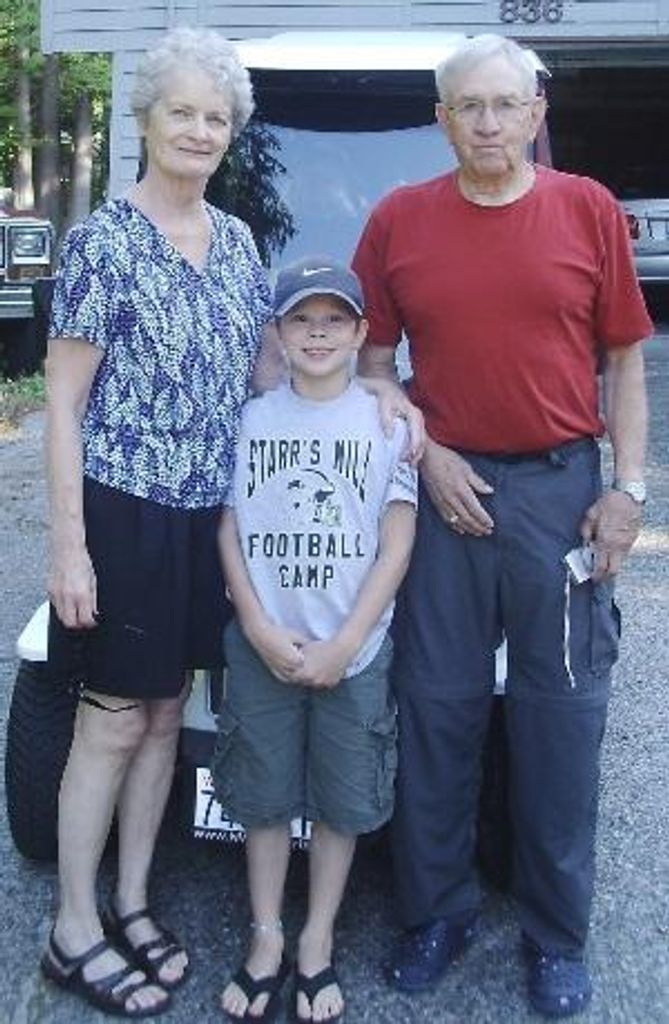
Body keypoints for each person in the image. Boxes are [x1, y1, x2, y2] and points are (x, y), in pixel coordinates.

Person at [352, 33, 652, 1020]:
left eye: (504, 104)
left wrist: (628, 490)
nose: (487, 123)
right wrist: (426, 453)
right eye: (467, 106)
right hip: (447, 494)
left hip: (561, 494)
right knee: (436, 709)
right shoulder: (399, 221)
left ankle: (555, 933)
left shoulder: (587, 209)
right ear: (442, 120)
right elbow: (373, 367)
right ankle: (434, 911)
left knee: (560, 716)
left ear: (535, 113)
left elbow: (624, 360)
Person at [40, 27, 274, 1018]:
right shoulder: (103, 242)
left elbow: (264, 373)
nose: (199, 130)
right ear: (146, 117)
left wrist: (373, 394)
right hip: (125, 508)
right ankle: (72, 928)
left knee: (170, 710)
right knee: (112, 719)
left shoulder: (240, 243)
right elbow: (61, 403)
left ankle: (132, 903)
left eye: (216, 117)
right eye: (182, 111)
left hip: (205, 517)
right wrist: (69, 547)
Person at [213, 257, 417, 1023]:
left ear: (362, 333)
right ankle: (266, 934)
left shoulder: (385, 422)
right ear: (278, 333)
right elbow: (228, 527)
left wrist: (347, 641)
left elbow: (397, 541)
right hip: (264, 642)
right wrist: (256, 623)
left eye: (334, 320)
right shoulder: (252, 420)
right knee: (262, 797)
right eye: (301, 319)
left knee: (341, 800)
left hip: (351, 651)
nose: (318, 333)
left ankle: (316, 939)